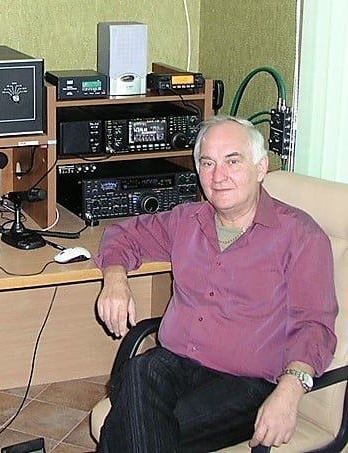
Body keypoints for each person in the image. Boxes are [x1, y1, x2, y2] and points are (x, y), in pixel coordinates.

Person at [94, 115, 338, 452]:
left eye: (232, 161)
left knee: (130, 420)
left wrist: (290, 391)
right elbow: (122, 234)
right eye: (207, 163)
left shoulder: (300, 236)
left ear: (261, 168)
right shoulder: (186, 221)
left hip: (248, 384)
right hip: (179, 365)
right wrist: (115, 279)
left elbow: (314, 326)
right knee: (141, 371)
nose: (218, 176)